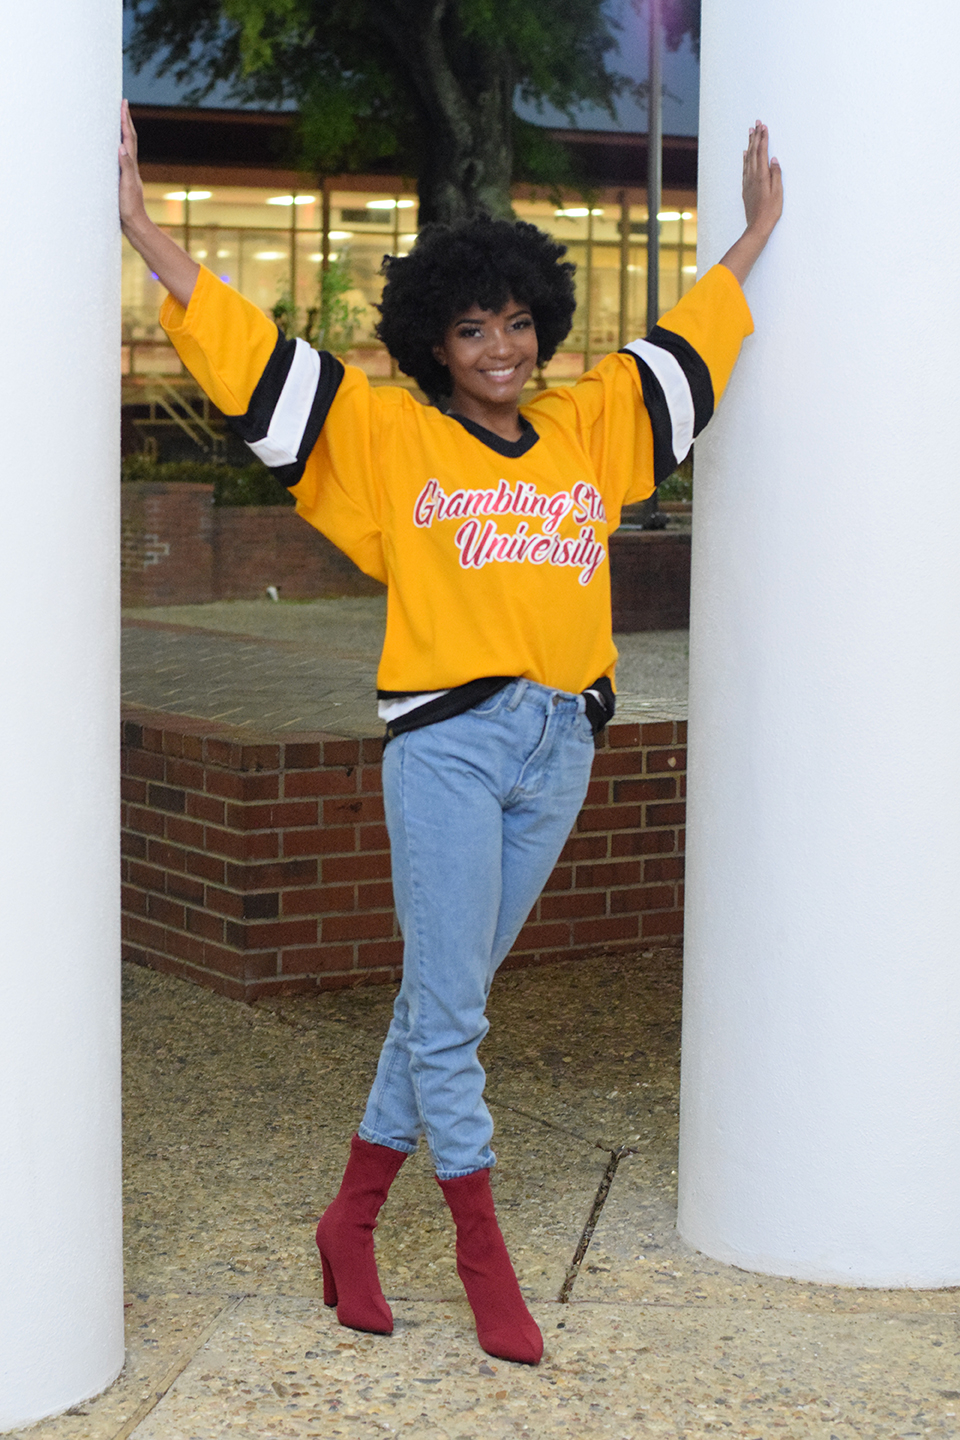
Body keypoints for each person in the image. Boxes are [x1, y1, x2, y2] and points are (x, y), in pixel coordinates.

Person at [119, 100, 782, 1365]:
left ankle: (350, 1220)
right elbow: (260, 360)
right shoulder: (389, 439)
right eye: (473, 328)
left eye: (519, 322)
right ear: (434, 340)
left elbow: (689, 345)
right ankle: (483, 1254)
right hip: (450, 749)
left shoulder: (588, 426)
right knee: (455, 1012)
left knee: (446, 995)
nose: (502, 346)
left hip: (564, 747)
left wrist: (753, 237)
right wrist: (153, 237)